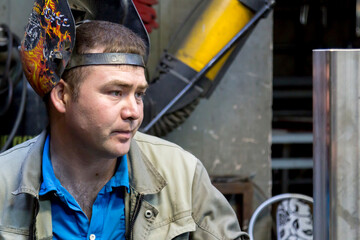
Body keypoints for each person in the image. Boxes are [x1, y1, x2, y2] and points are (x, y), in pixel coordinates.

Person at [0, 3, 250, 240]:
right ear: (62, 96)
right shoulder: (4, 184)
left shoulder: (182, 176)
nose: (133, 112)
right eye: (116, 92)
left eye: (139, 94)